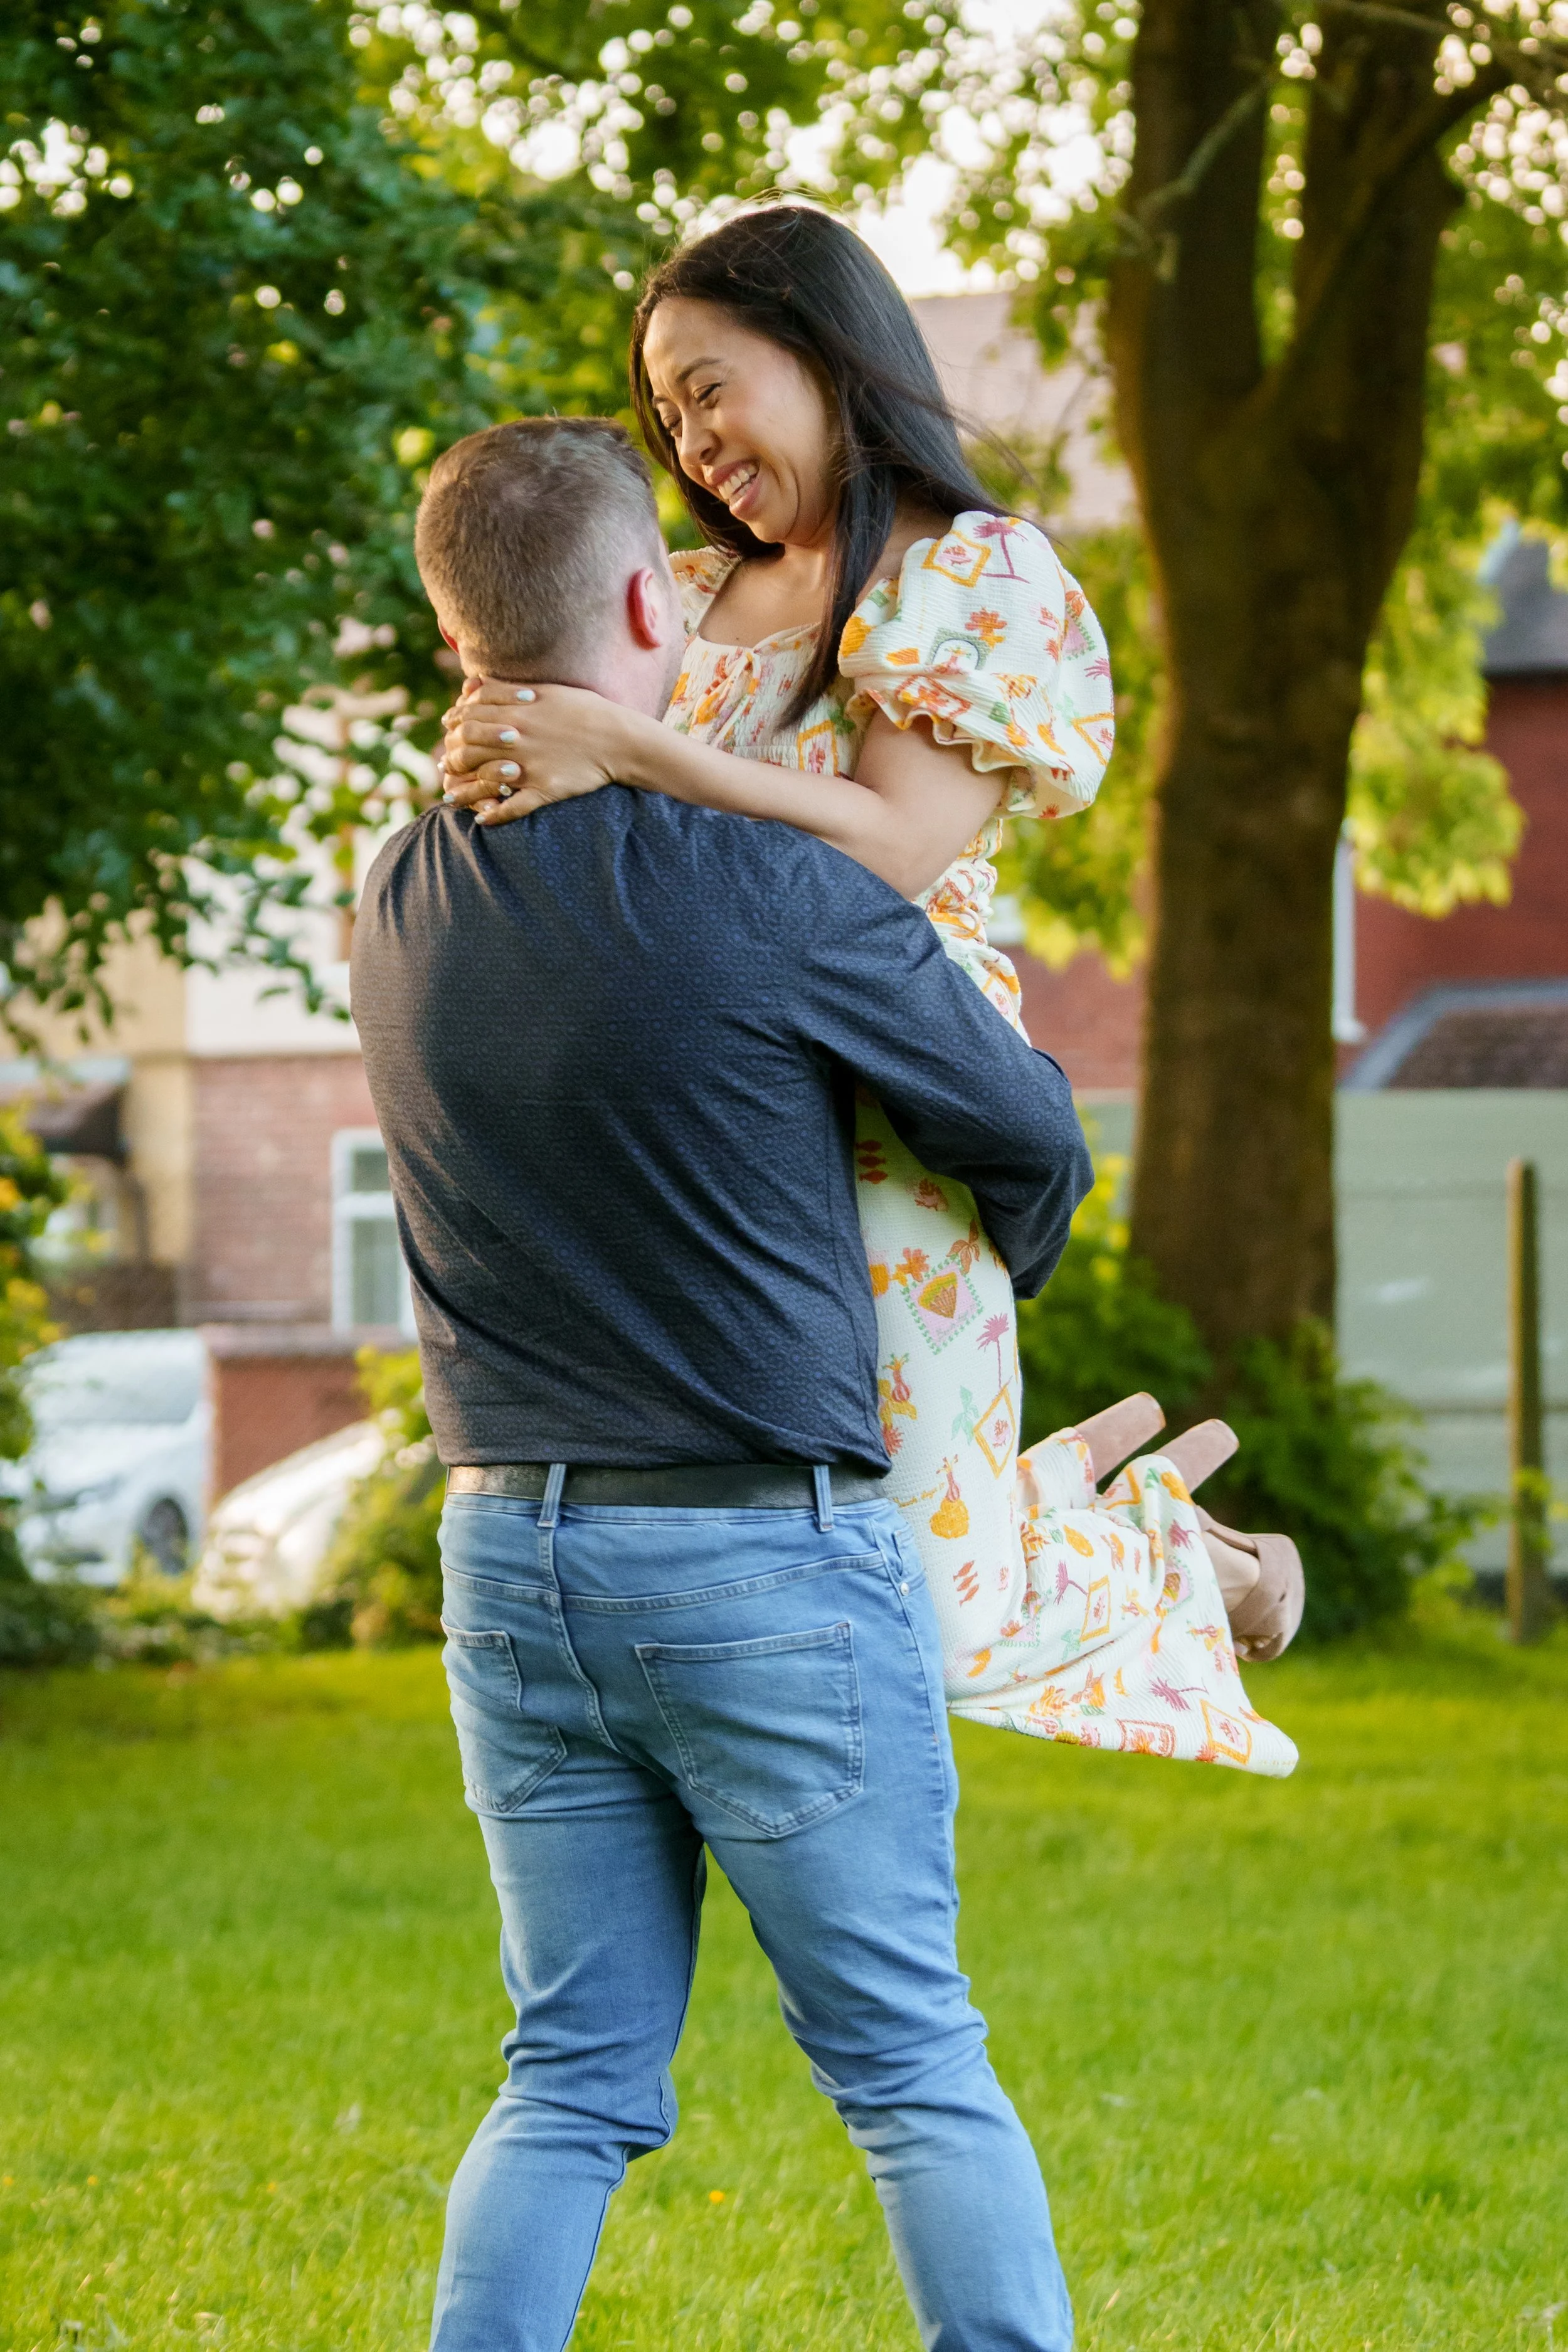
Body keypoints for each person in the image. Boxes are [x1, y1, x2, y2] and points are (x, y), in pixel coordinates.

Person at [352, 411, 1093, 2351]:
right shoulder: (763, 886)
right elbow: (1030, 1132)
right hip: (763, 1550)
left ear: (458, 635)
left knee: (571, 2073)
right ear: (639, 597)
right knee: (912, 2064)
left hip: (509, 1556)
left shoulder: (395, 899)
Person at [439, 204, 1302, 1774]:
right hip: (705, 1118)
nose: (690, 441)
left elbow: (890, 853)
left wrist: (628, 747)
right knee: (807, 1548)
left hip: (888, 1110)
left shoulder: (970, 580)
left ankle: (1203, 1566)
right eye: (667, 411)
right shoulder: (685, 598)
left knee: (938, 1604)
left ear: (828, 352)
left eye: (711, 386)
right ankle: (1051, 1498)